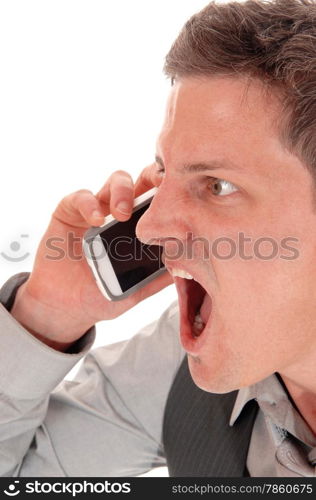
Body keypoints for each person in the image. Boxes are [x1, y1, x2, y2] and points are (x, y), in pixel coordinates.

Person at [1, 0, 316, 477]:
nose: (147, 229)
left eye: (218, 185)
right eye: (164, 172)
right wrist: (44, 315)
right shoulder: (174, 366)